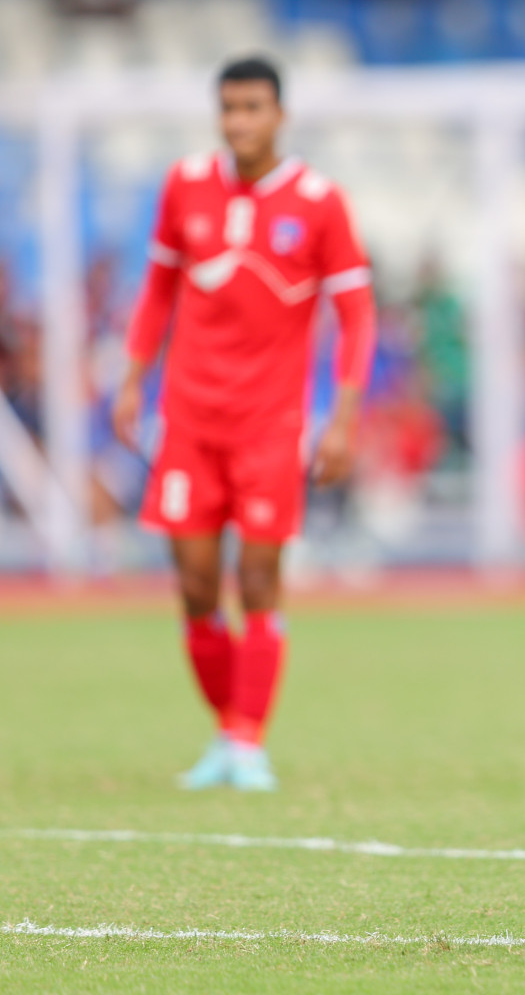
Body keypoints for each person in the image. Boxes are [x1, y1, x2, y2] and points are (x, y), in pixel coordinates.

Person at [112, 56, 376, 791]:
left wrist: (343, 418)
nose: (239, 122)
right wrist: (134, 378)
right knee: (196, 586)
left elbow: (357, 314)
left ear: (279, 115)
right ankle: (229, 731)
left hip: (269, 424)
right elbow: (158, 286)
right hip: (189, 420)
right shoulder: (185, 185)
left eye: (253, 107)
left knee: (258, 577)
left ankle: (247, 739)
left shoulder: (319, 201)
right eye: (229, 108)